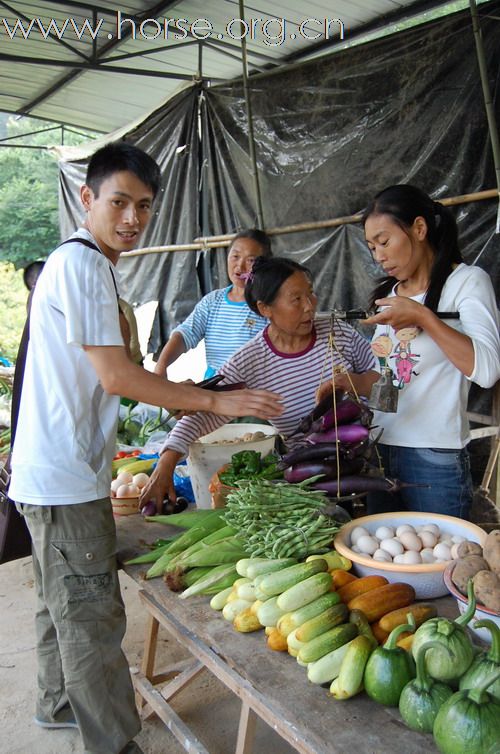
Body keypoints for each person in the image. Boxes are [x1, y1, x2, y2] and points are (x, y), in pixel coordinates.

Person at [8, 143, 283, 754]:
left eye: (145, 206)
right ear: (87, 199)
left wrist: (191, 391)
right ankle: (113, 744)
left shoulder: (89, 265)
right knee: (91, 617)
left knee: (61, 603)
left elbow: (119, 373)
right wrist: (216, 403)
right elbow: (118, 376)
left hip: (56, 471)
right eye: (119, 202)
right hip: (62, 476)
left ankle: (57, 705)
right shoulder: (81, 264)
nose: (132, 218)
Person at [320, 184, 500, 519]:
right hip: (381, 449)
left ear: (419, 228)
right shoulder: (390, 293)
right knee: (385, 561)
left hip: (435, 455)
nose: (378, 256)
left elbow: (488, 370)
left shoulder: (467, 282)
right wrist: (351, 382)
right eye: (371, 247)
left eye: (385, 242)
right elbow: (389, 377)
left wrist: (421, 317)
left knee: (439, 560)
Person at [140, 256, 375, 510]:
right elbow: (203, 415)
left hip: (367, 465)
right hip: (313, 483)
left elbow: (384, 377)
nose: (309, 306)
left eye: (311, 294)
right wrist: (167, 462)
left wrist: (355, 383)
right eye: (296, 299)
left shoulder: (336, 334)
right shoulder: (250, 361)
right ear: (265, 309)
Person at [154, 228, 272, 378]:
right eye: (235, 256)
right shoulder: (213, 301)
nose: (240, 266)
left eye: (250, 260)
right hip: (215, 389)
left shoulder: (268, 305)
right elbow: (184, 335)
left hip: (254, 390)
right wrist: (161, 365)